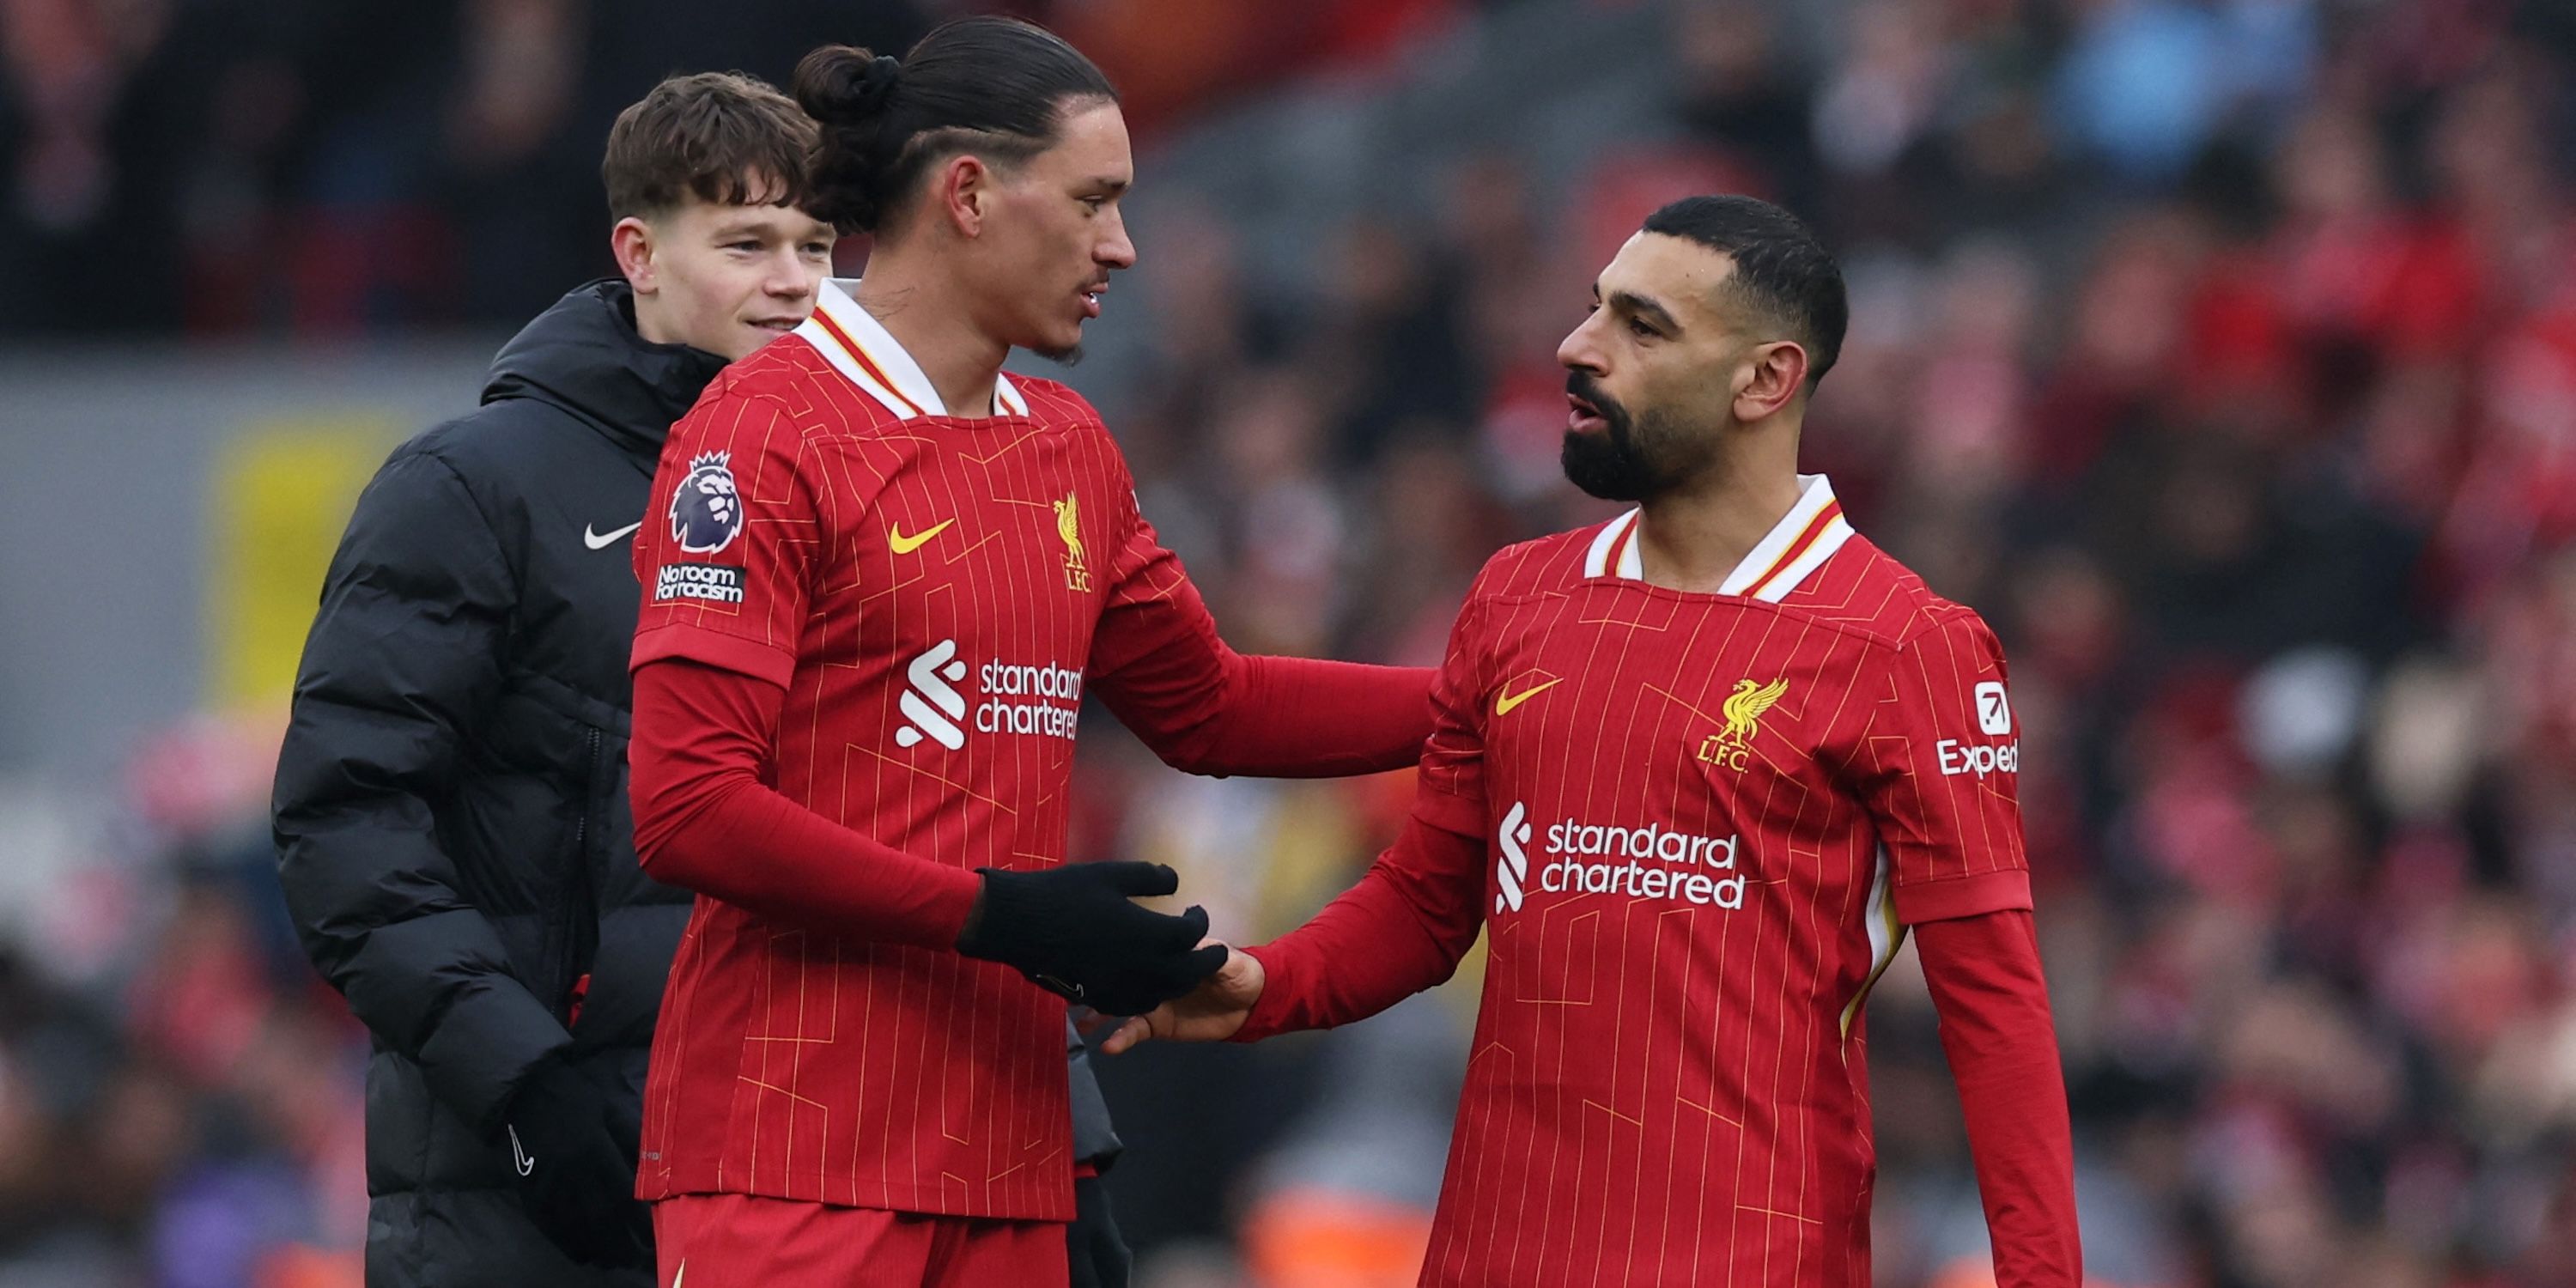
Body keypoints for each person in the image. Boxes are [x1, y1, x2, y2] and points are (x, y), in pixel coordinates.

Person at [1106, 195, 2086, 1287]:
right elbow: (1431, 902)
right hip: (1493, 1251)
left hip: (1749, 1257)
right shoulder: (1518, 598)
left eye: (1643, 326)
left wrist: (2042, 1276)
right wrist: (1266, 983)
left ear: (1766, 380)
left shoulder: (1909, 646)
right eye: (1591, 310)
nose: (1579, 347)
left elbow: (1994, 1008)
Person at [271, 69, 1126, 1287]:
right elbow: (343, 821)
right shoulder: (473, 490)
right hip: (537, 1187)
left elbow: (943, 843)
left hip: (835, 1169)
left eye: (818, 244)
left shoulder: (888, 480)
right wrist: (528, 1087)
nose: (793, 279)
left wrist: (1068, 1140)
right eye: (747, 241)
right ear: (640, 253)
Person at [621, 16, 1437, 1288]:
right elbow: (687, 809)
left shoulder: (1066, 445)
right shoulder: (762, 432)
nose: (1121, 246)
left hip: (1006, 1159)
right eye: (1096, 201)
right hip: (791, 1150)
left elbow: (1211, 708)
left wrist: (1508, 696)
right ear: (967, 196)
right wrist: (998, 912)